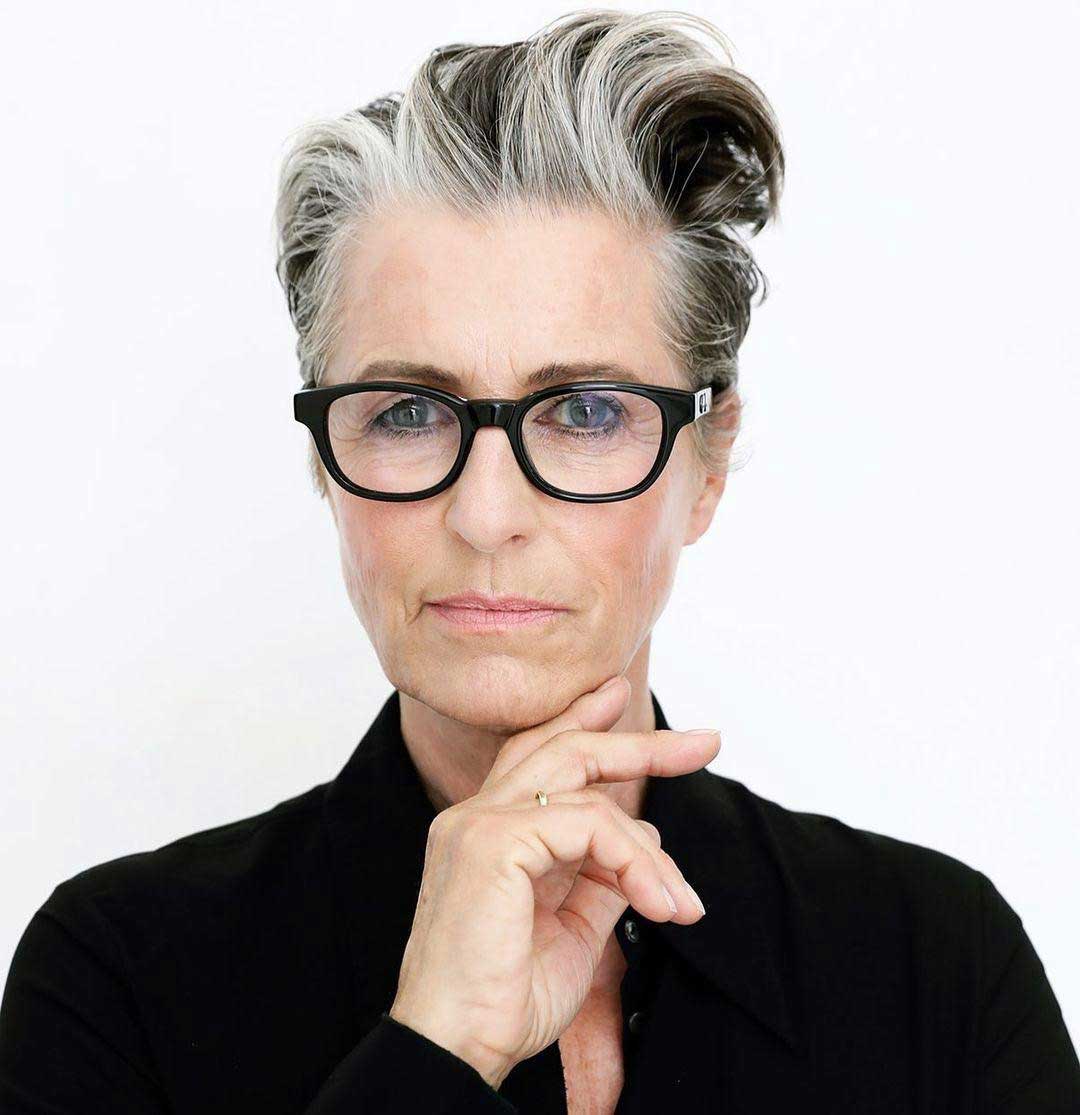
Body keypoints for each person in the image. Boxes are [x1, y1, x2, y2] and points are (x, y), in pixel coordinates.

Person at [2, 10, 1077, 1114]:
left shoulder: (937, 967)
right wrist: (435, 1047)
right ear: (326, 463)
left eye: (589, 410)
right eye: (410, 411)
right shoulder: (116, 975)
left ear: (706, 464)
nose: (484, 510)